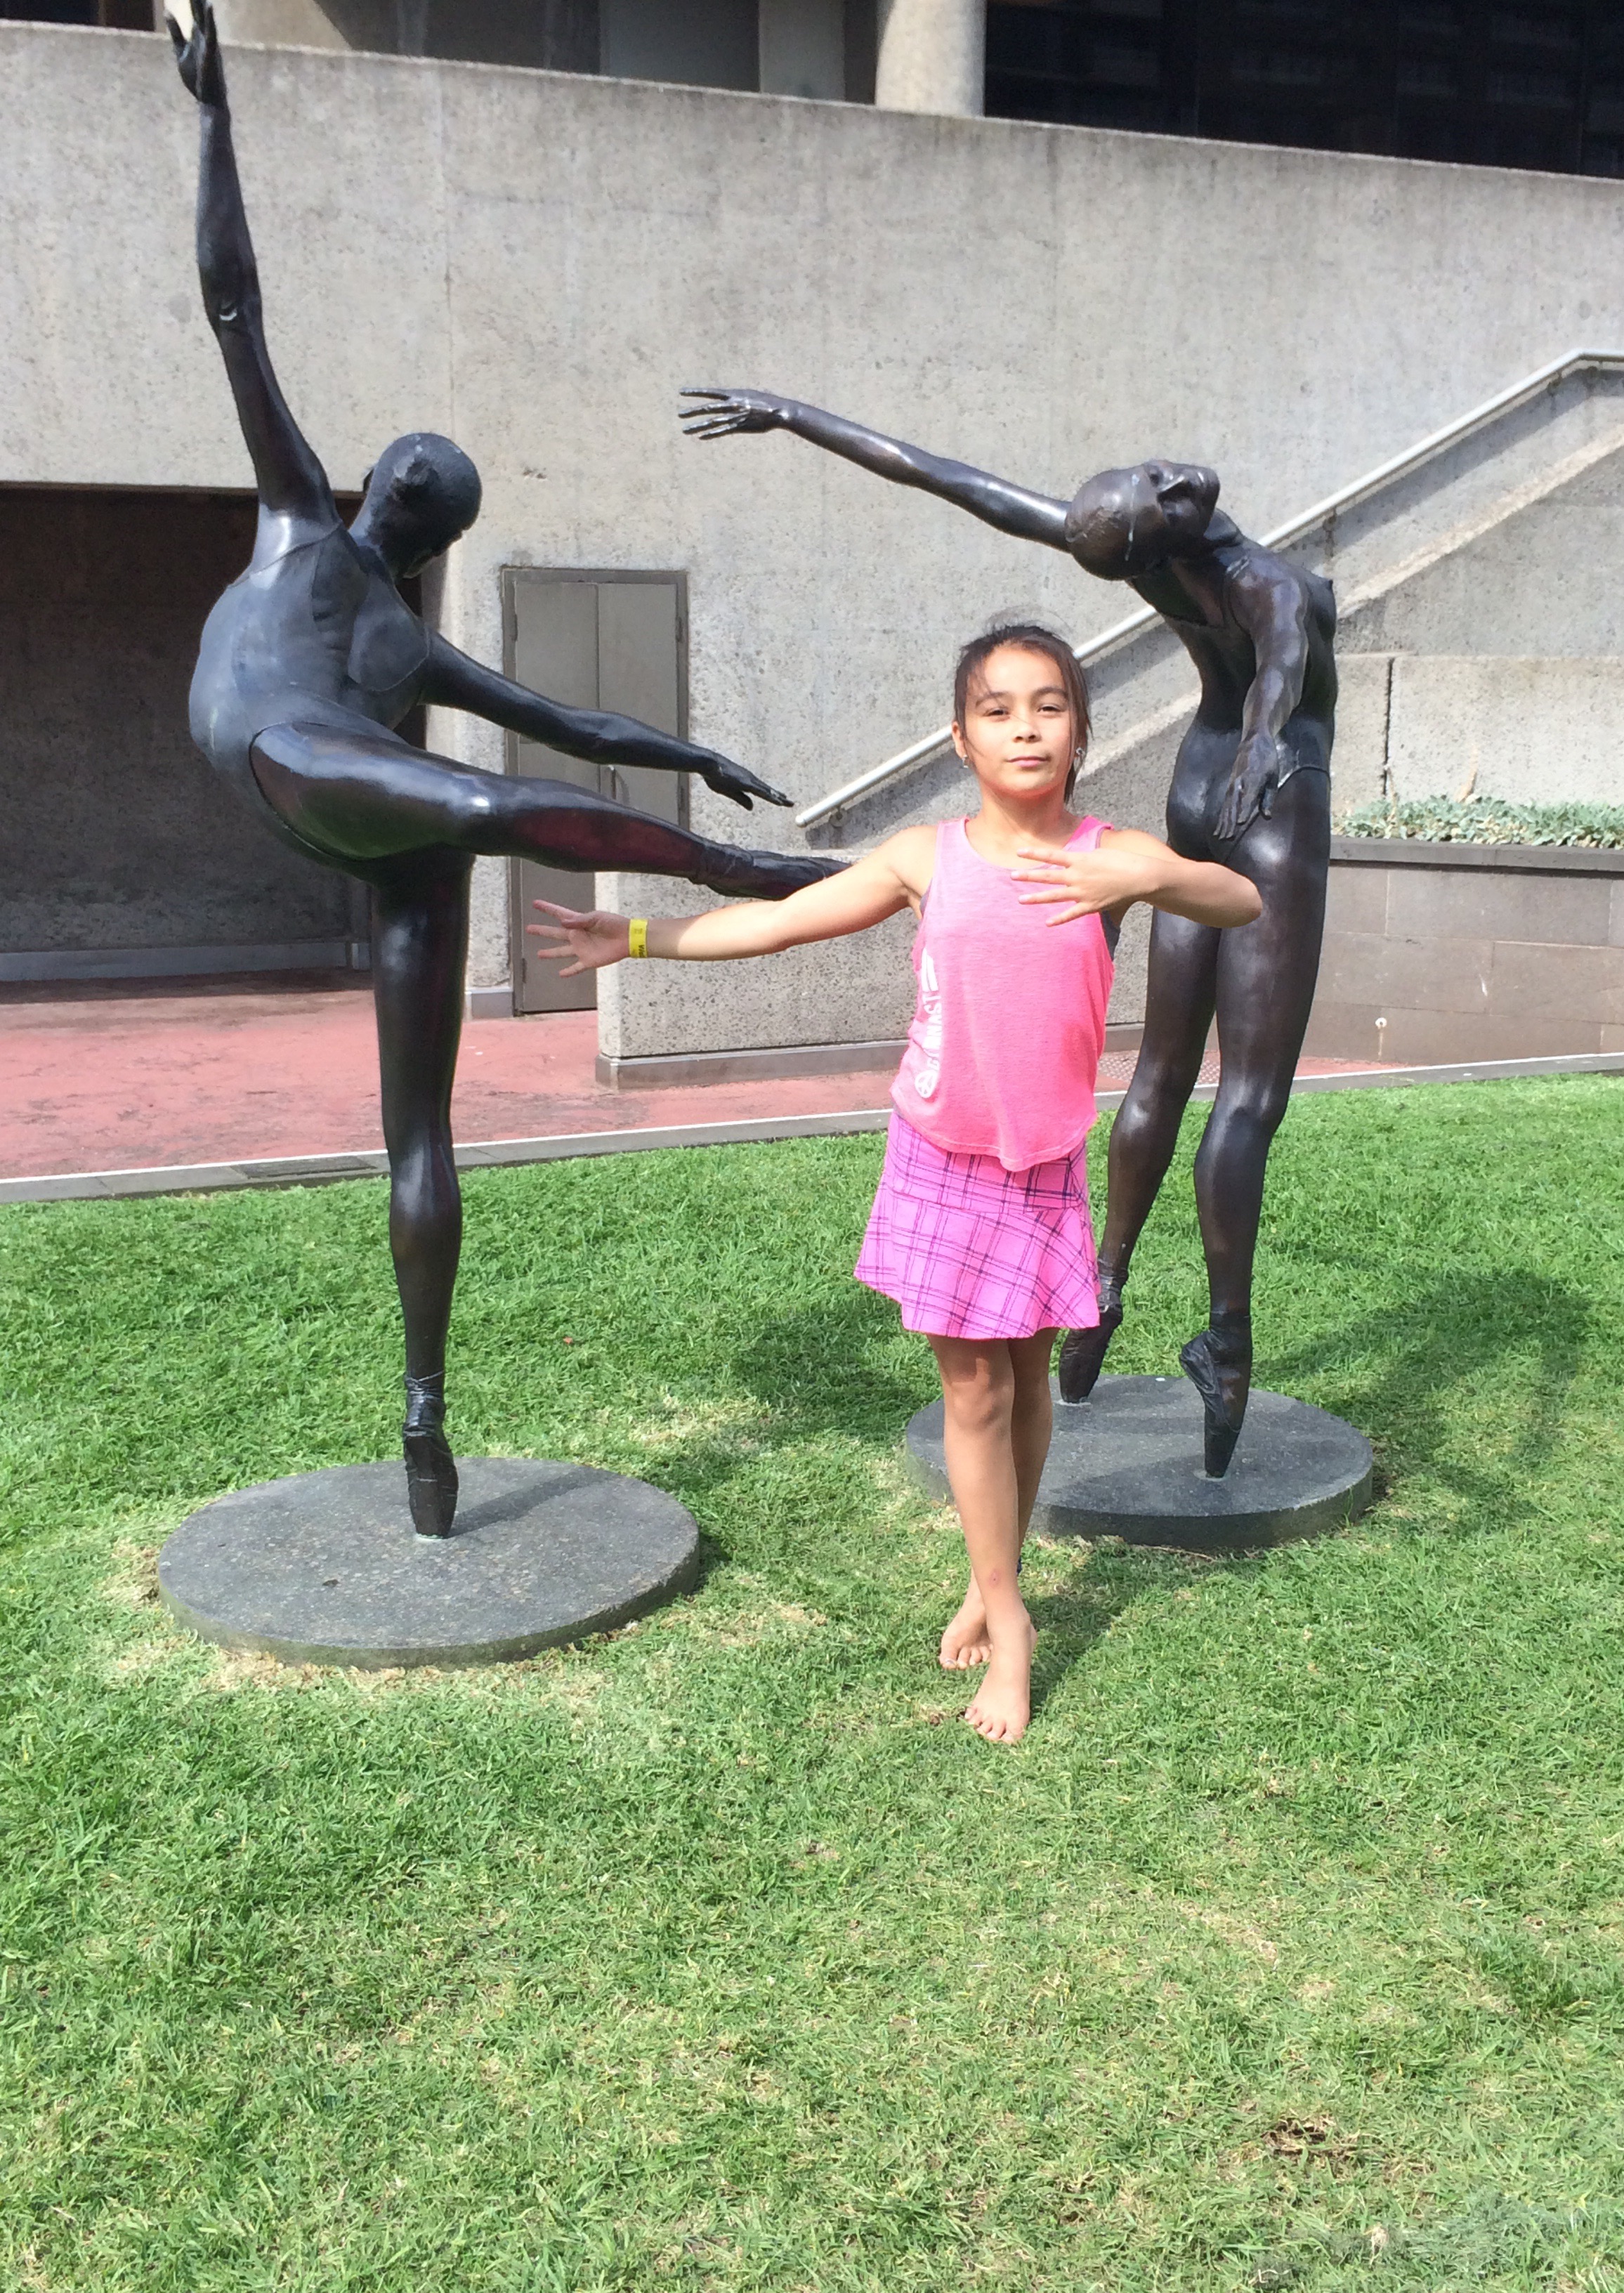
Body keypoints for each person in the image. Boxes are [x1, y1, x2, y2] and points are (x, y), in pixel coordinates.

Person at [168, 1, 837, 1538]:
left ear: (411, 509)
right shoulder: (305, 531)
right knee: (474, 808)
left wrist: (694, 749)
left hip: (340, 786)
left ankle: (425, 1408)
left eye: (417, 480)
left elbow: (579, 723)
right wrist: (211, 120)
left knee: (427, 1100)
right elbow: (232, 307)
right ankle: (733, 875)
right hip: (296, 755)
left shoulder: (387, 620)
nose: (406, 481)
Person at [531, 628, 1258, 1744]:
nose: (1025, 727)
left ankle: (988, 1574)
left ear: (1078, 731)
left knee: (1025, 1379)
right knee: (974, 1393)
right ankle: (1010, 1621)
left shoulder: (1108, 855)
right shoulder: (928, 857)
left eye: (1050, 705)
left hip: (1043, 1160)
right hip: (941, 1158)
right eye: (999, 709)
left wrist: (1150, 874)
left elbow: (1239, 899)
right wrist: (636, 933)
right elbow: (780, 922)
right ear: (962, 738)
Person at [679, 384, 1337, 1476]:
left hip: (1196, 787)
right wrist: (1268, 742)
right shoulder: (1257, 579)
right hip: (1271, 803)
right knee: (1244, 1098)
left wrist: (793, 416)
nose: (1183, 477)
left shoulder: (1165, 562)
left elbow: (958, 484)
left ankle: (1105, 1286)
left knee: (1161, 1072)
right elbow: (1279, 669)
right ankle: (1223, 1342)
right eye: (1164, 489)